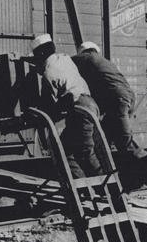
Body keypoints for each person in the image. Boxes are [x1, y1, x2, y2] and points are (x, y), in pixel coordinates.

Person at [72, 41, 147, 202]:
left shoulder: (86, 59)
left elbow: (65, 63)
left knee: (126, 146)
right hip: (126, 101)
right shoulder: (103, 63)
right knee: (102, 145)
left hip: (117, 103)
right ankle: (118, 186)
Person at [31, 34, 102, 179]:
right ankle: (86, 189)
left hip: (80, 108)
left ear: (41, 54)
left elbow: (58, 103)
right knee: (67, 149)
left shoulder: (48, 72)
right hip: (91, 104)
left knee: (84, 152)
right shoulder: (64, 58)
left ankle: (111, 191)